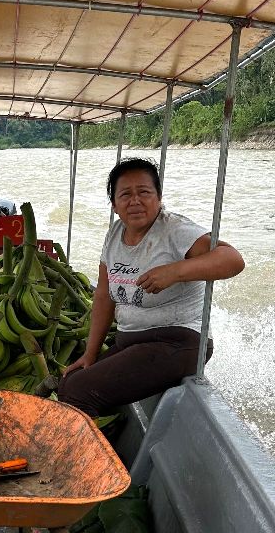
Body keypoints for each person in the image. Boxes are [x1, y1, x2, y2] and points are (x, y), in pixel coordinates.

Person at [57, 157, 244, 418]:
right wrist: (90, 354)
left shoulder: (175, 230)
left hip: (176, 341)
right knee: (71, 379)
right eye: (125, 194)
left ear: (159, 197)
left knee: (77, 391)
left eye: (144, 192)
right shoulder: (114, 233)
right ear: (115, 204)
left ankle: (87, 457)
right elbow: (103, 295)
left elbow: (233, 260)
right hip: (132, 339)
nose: (135, 201)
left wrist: (175, 272)